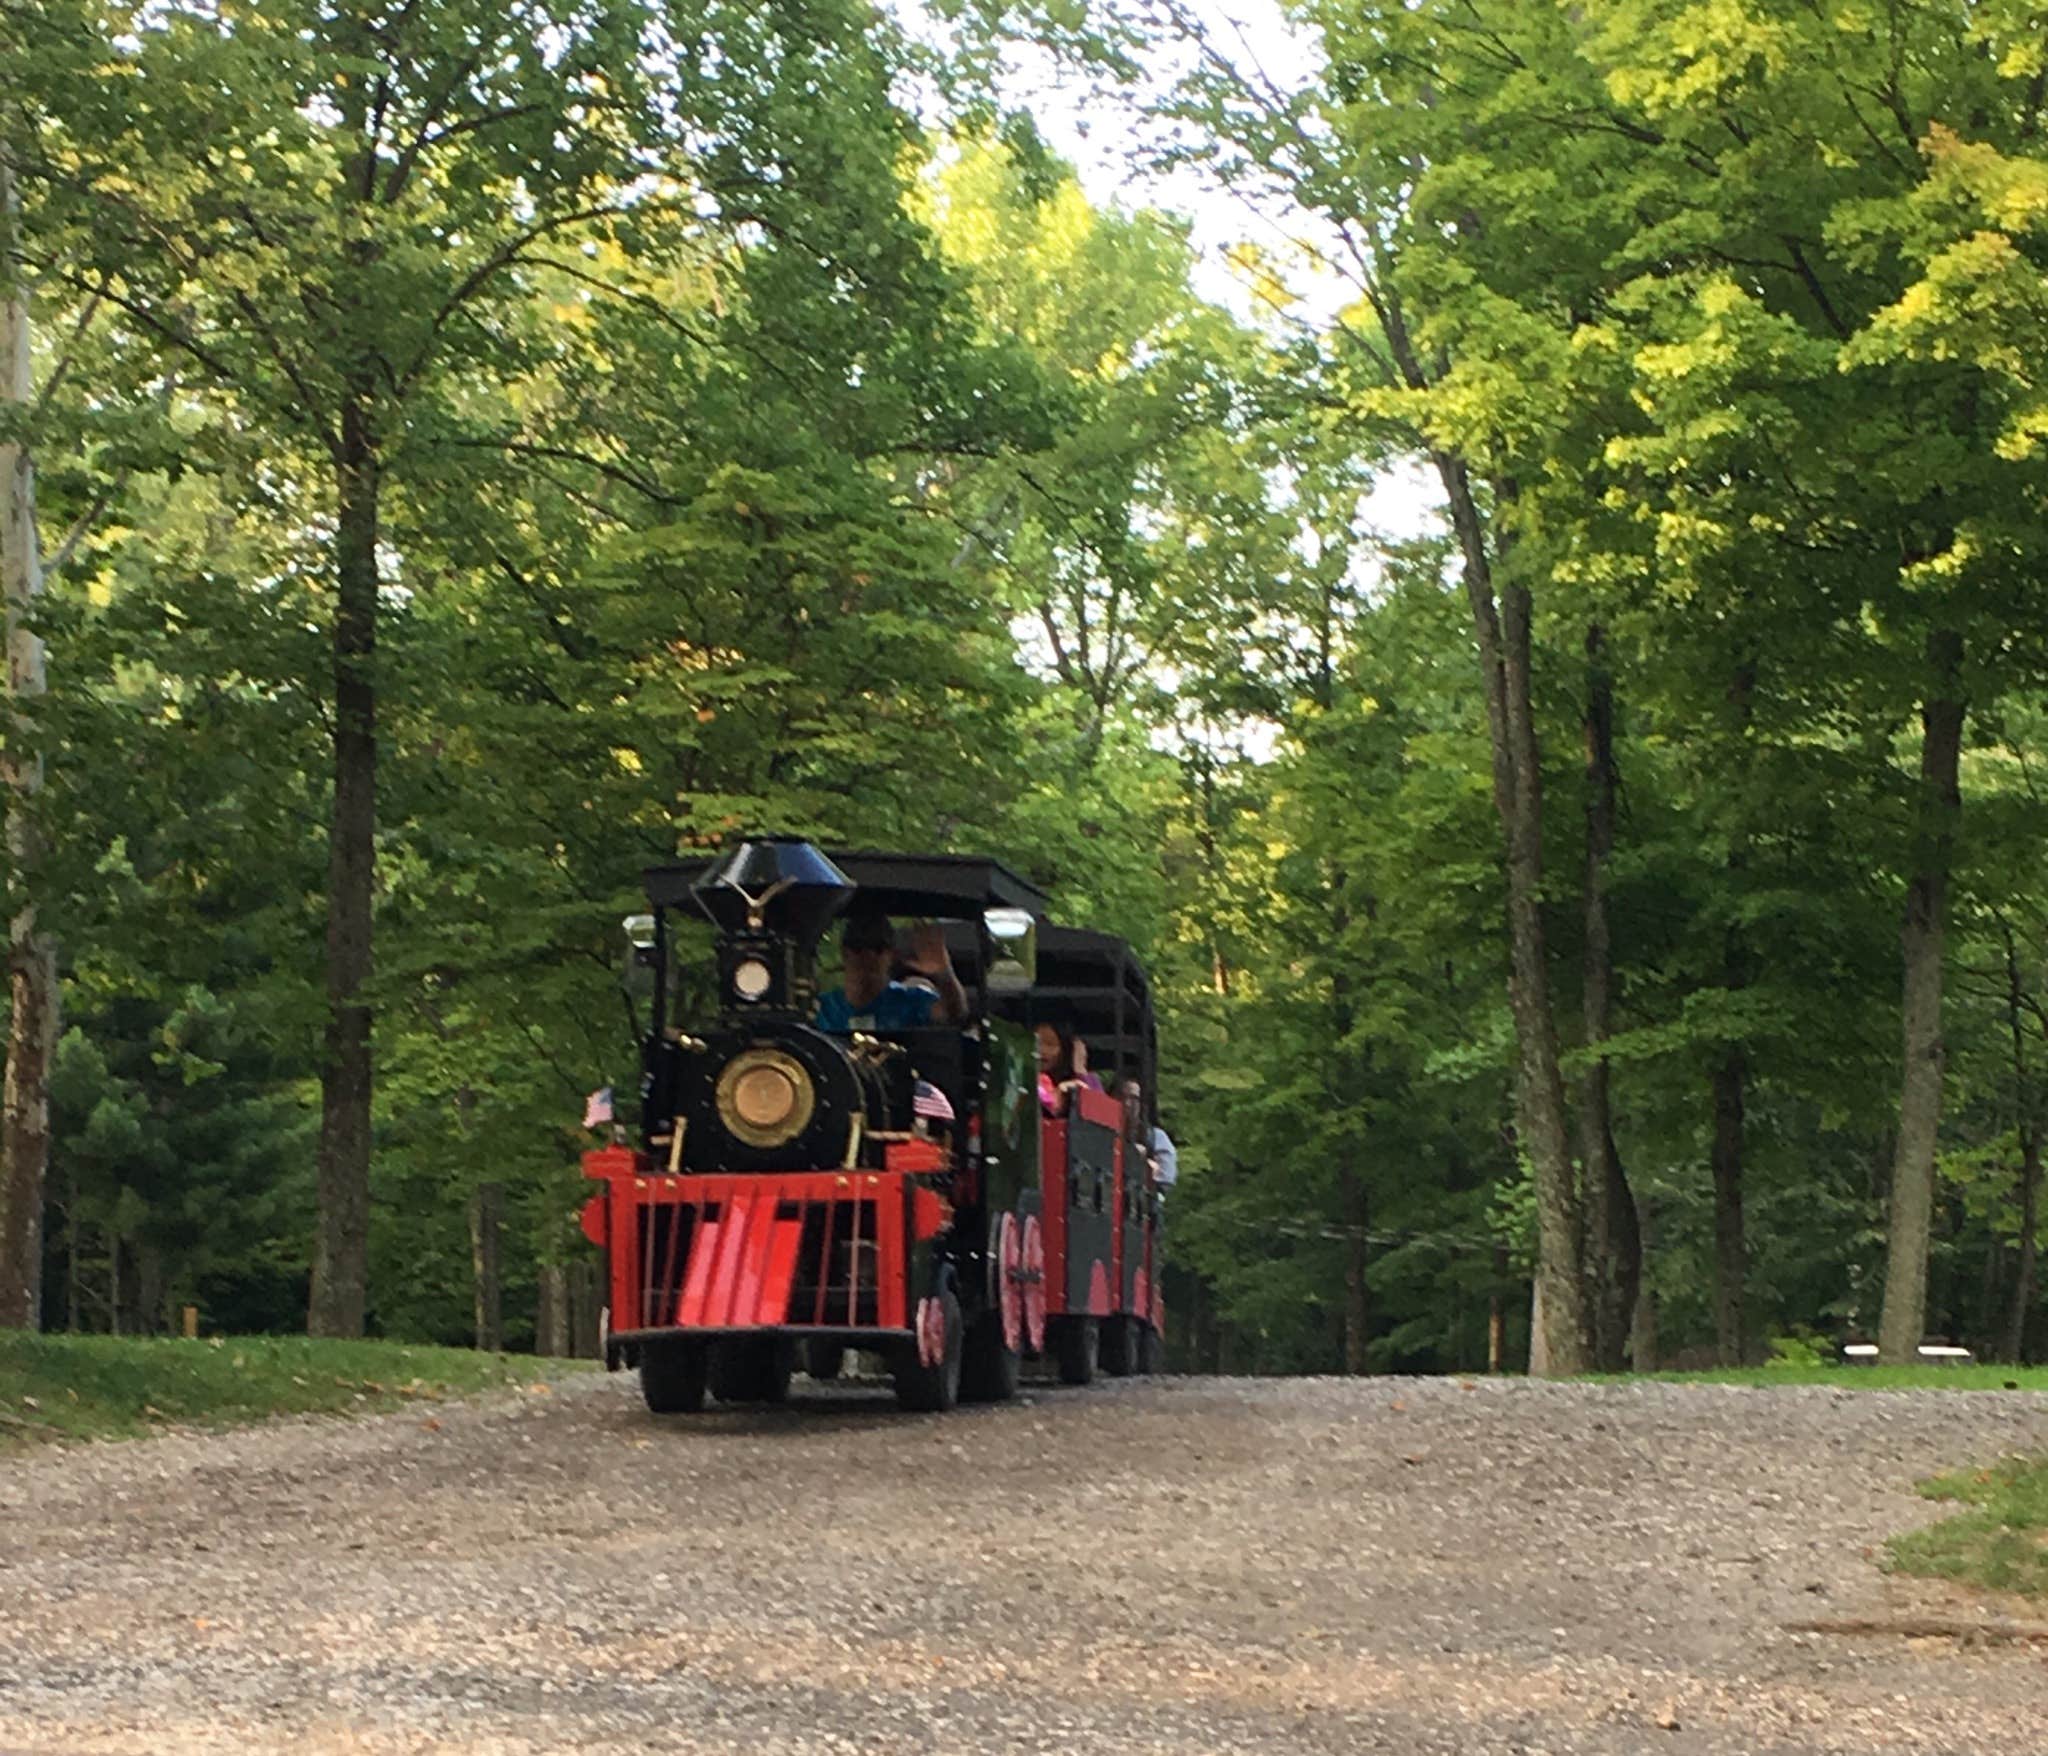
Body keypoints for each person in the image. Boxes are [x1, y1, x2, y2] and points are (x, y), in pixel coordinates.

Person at [814, 906, 967, 1033]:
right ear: (845, 953)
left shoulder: (913, 1001)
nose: (869, 956)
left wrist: (944, 972)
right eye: (858, 947)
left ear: (891, 955)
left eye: (878, 948)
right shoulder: (823, 1009)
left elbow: (955, 1015)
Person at [1118, 1076, 1178, 1192]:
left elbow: (1165, 1179)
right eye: (1122, 1097)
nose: (1127, 1104)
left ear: (1142, 1104)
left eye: (1134, 1099)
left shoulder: (1156, 1137)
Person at [1034, 1020, 1103, 1113]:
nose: (1042, 1050)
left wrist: (1080, 1070)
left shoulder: (1087, 1078)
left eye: (1050, 1044)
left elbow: (1100, 1112)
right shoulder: (1034, 1080)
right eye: (1037, 1043)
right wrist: (1059, 1092)